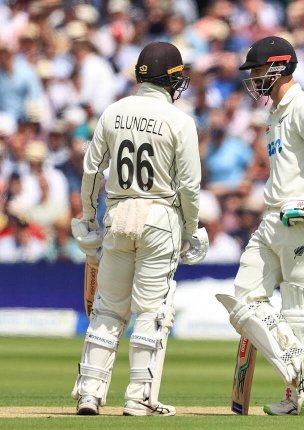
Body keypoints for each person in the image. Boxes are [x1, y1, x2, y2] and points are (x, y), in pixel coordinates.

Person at [70, 41, 206, 417]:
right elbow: (189, 187)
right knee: (151, 311)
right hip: (160, 218)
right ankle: (139, 397)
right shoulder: (180, 120)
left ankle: (89, 393)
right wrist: (190, 230)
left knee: (108, 310)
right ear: (169, 79)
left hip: (117, 214)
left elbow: (92, 171)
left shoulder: (114, 112)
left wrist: (87, 218)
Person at [216, 35, 304, 416]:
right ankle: (297, 370)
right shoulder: (275, 112)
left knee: (302, 311)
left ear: (277, 67)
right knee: (244, 299)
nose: (253, 78)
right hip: (273, 218)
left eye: (256, 70)